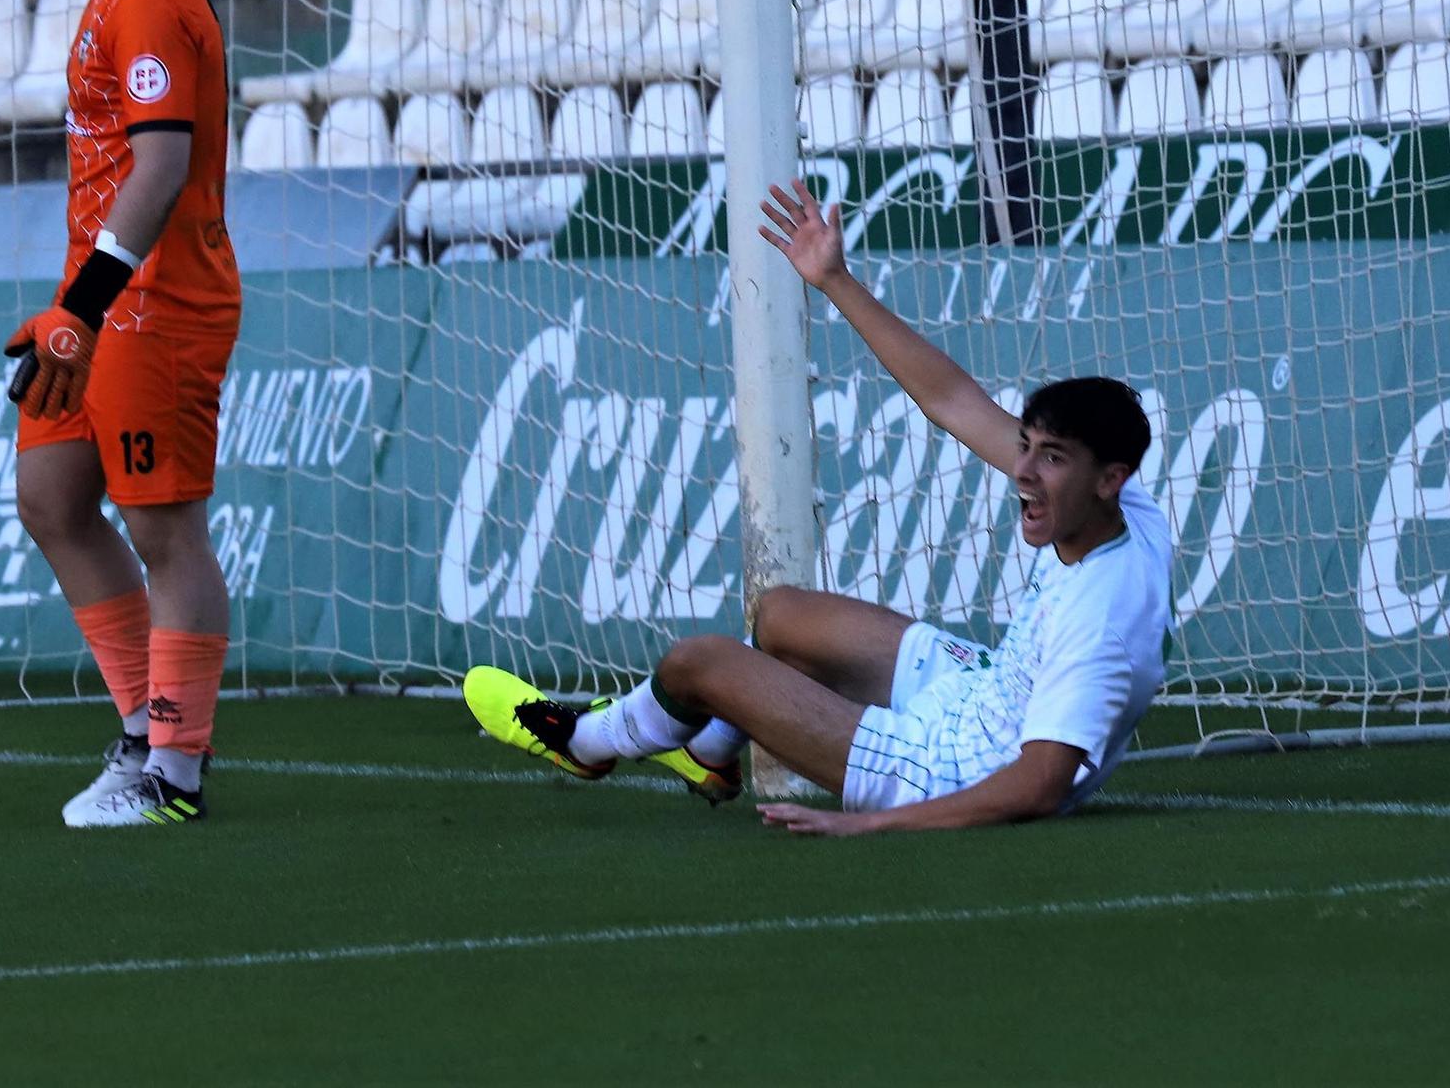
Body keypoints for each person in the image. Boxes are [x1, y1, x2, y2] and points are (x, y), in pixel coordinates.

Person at [463, 179, 1171, 835]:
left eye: (1050, 458)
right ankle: (709, 747)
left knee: (697, 662)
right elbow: (953, 400)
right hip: (979, 690)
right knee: (781, 617)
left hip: (940, 769)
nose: (1022, 472)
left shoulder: (1101, 621)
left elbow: (1038, 785)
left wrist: (866, 823)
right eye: (1027, 446)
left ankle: (587, 741)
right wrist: (835, 279)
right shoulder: (1124, 507)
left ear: (1109, 477)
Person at [8, 0, 240, 828]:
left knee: (166, 531)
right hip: (98, 304)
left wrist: (86, 305)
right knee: (52, 499)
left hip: (152, 306)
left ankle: (172, 771)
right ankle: (142, 729)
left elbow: (160, 165)